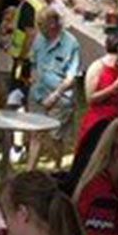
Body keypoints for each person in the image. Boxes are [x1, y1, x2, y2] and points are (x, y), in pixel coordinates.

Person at [27, 10, 84, 162]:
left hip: (60, 98)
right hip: (38, 94)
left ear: (53, 24)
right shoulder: (39, 39)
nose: (38, 27)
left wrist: (55, 95)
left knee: (55, 137)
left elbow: (71, 77)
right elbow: (33, 62)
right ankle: (29, 172)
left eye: (41, 24)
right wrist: (33, 78)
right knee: (35, 134)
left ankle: (57, 168)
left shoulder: (71, 43)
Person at [78, 36, 118, 143]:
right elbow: (90, 98)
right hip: (97, 119)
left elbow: (115, 97)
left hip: (114, 118)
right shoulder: (97, 67)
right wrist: (112, 88)